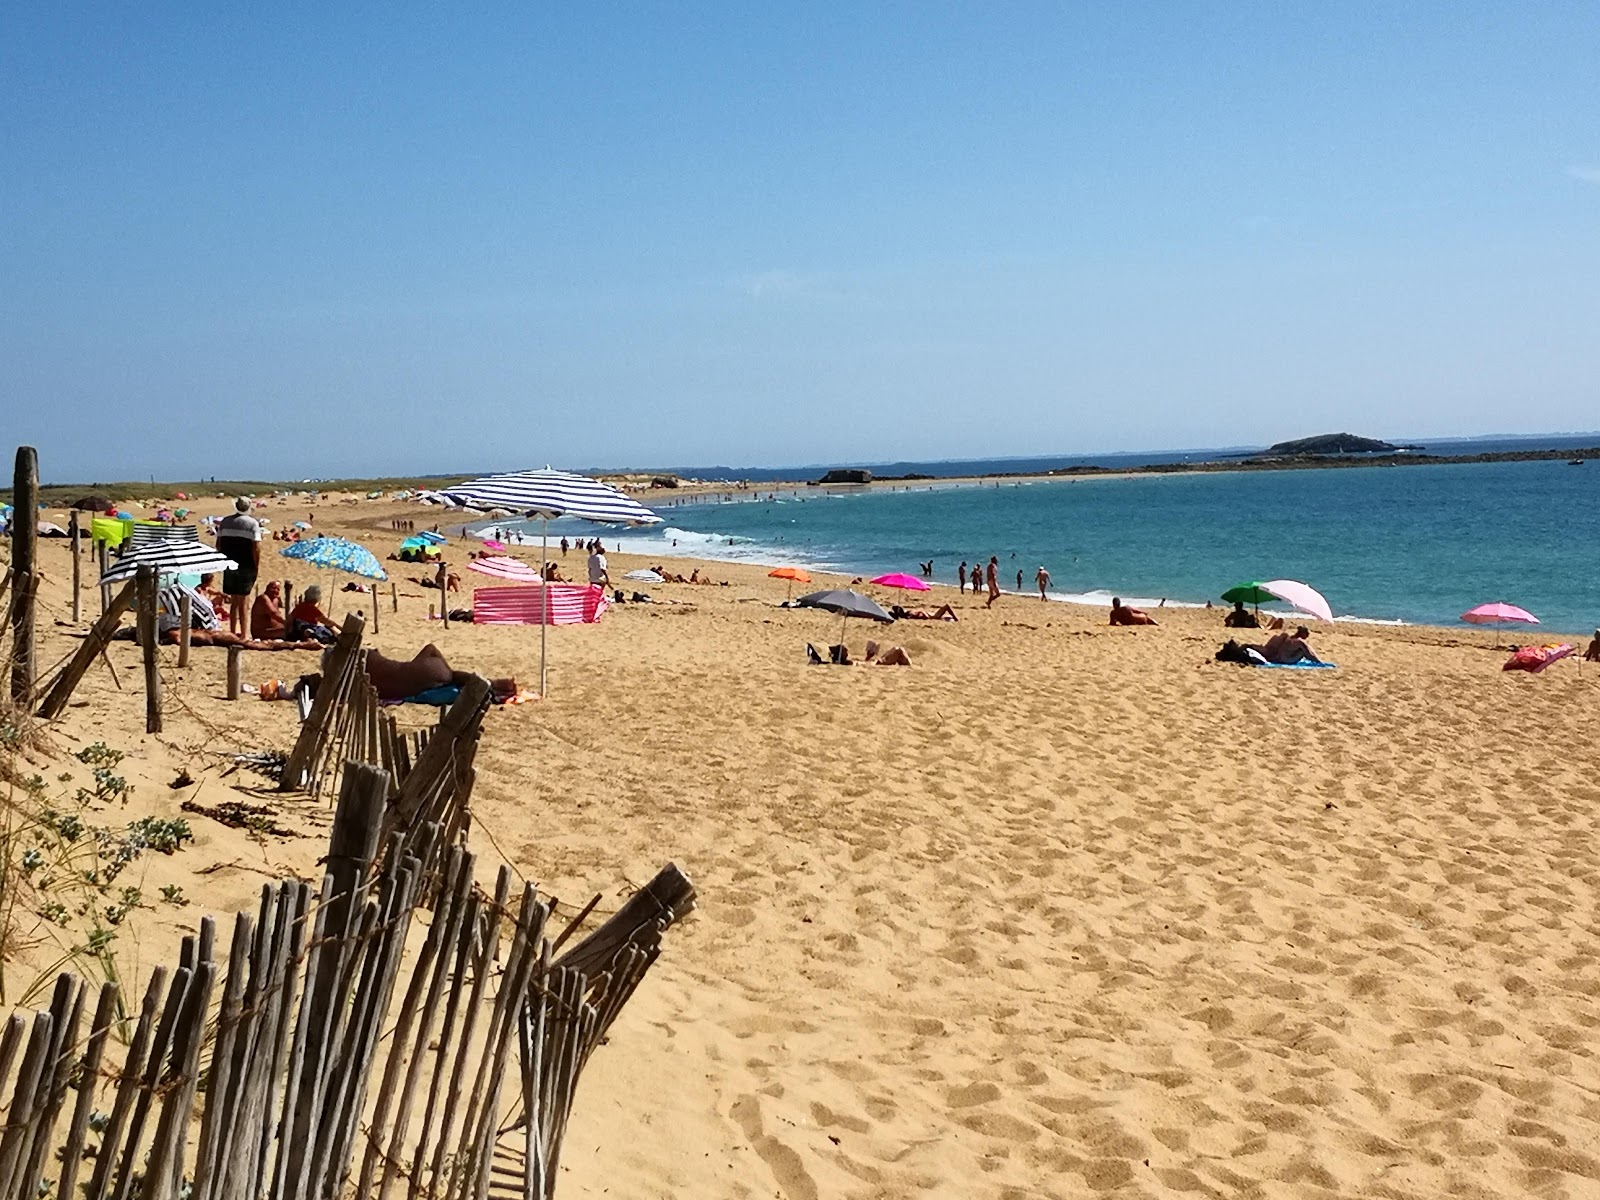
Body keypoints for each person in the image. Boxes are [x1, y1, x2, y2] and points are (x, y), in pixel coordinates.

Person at [216, 498, 261, 636]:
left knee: (234, 600)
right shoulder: (252, 523)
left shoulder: (225, 522)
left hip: (229, 563)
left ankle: (232, 630)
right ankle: (243, 633)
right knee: (243, 600)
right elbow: (256, 548)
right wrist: (256, 565)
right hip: (245, 564)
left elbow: (218, 544)